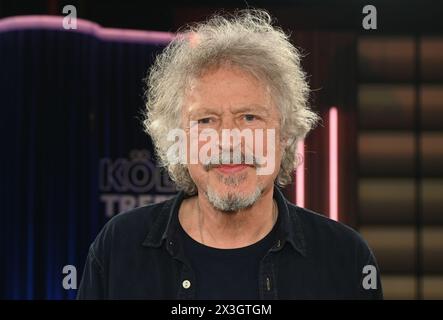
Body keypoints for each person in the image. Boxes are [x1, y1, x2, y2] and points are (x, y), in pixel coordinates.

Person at [77, 9, 382, 299]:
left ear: (285, 135)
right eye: (206, 120)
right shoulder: (117, 249)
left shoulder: (346, 259)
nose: (228, 141)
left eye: (249, 117)